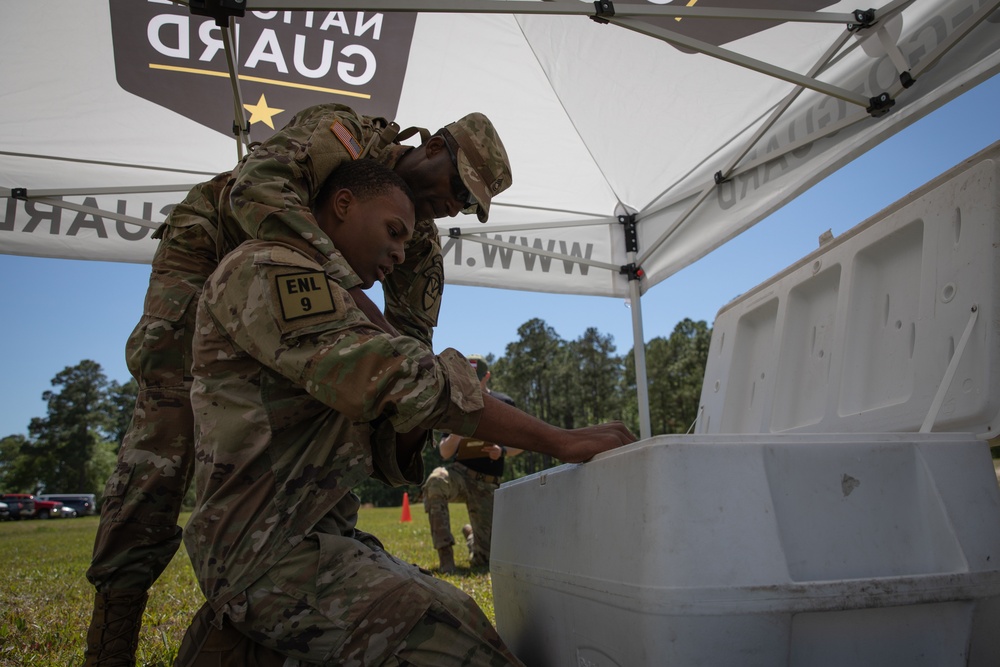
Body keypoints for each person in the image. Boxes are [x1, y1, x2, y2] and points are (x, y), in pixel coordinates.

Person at [83, 103, 512, 667]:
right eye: (457, 184)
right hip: (209, 252)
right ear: (432, 146)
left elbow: (404, 349)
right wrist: (347, 297)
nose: (452, 204)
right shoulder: (344, 136)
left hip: (297, 321)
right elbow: (256, 193)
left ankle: (256, 613)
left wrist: (404, 398)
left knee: (338, 412)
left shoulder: (421, 246)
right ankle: (112, 639)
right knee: (161, 449)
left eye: (466, 204)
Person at [175, 159, 637, 666]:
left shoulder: (329, 294)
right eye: (393, 231)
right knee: (467, 650)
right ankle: (246, 627)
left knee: (458, 610)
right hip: (266, 555)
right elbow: (399, 379)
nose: (399, 252)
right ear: (343, 205)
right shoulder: (267, 269)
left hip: (308, 538)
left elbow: (385, 426)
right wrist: (562, 440)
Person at [424, 355, 521, 572]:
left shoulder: (504, 404)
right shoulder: (452, 404)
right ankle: (446, 558)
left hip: (487, 483)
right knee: (436, 481)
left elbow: (523, 444)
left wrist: (502, 451)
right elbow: (444, 451)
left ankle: (472, 539)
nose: (470, 383)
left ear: (486, 377)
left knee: (484, 562)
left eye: (475, 379)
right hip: (460, 475)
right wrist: (458, 433)